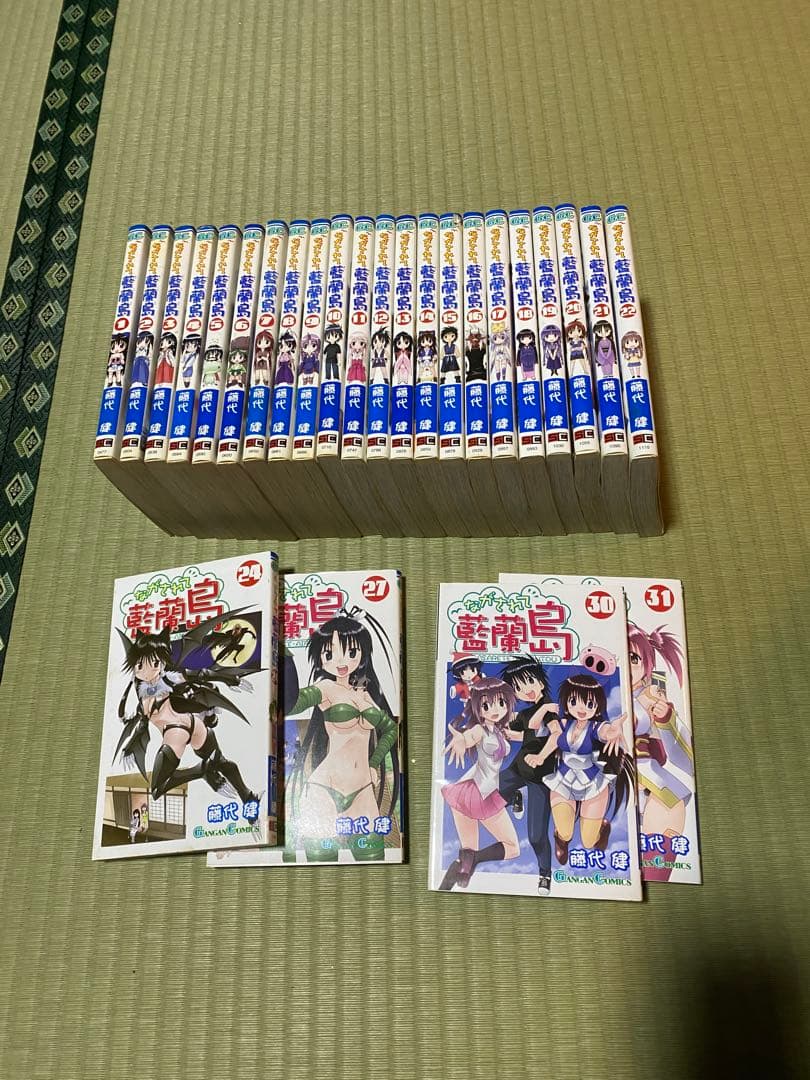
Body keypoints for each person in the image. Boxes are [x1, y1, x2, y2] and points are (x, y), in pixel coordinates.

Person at [284, 612, 399, 861]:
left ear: (362, 653)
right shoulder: (325, 688)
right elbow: (291, 705)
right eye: (329, 654)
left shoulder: (367, 693)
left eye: (350, 652)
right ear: (320, 658)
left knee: (374, 863)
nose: (340, 661)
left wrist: (374, 763)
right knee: (321, 868)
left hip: (363, 790)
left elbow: (391, 729)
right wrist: (286, 660)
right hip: (324, 788)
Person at [115, 626, 260, 820]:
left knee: (157, 789)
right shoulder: (145, 694)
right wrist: (130, 745)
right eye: (140, 665)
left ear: (161, 663)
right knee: (222, 762)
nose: (146, 671)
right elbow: (142, 725)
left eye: (154, 663)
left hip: (176, 732)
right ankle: (249, 798)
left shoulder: (167, 680)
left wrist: (232, 679)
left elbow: (201, 674)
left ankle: (202, 770)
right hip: (195, 725)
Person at [533, 673, 633, 865]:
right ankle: (561, 840)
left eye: (589, 704)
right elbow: (542, 730)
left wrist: (614, 729)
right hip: (563, 780)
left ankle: (602, 828)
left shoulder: (595, 727)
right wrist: (541, 755)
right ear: (566, 702)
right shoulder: (563, 724)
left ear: (597, 706)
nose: (581, 709)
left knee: (588, 842)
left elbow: (605, 732)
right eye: (574, 701)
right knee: (565, 832)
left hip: (593, 784)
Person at [439, 677, 521, 890]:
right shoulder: (480, 729)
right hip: (481, 794)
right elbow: (469, 737)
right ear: (478, 708)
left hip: (464, 793)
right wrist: (461, 740)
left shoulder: (500, 729)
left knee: (466, 855)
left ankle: (449, 883)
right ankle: (475, 859)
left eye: (501, 703)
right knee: (513, 848)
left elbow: (526, 730)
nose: (495, 710)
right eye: (486, 705)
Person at [628, 622, 692, 881]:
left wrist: (665, 719)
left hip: (649, 776)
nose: (626, 665)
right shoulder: (589, 692)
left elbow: (681, 755)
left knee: (669, 809)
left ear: (647, 665)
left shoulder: (653, 696)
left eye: (634, 658)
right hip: (601, 776)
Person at [497, 657, 559, 894]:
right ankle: (515, 796)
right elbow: (521, 734)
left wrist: (542, 756)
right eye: (518, 687)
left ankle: (545, 874)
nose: (526, 690)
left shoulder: (549, 708)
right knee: (489, 795)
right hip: (518, 769)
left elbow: (556, 736)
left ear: (541, 682)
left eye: (530, 681)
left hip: (540, 778)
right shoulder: (526, 713)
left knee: (536, 835)